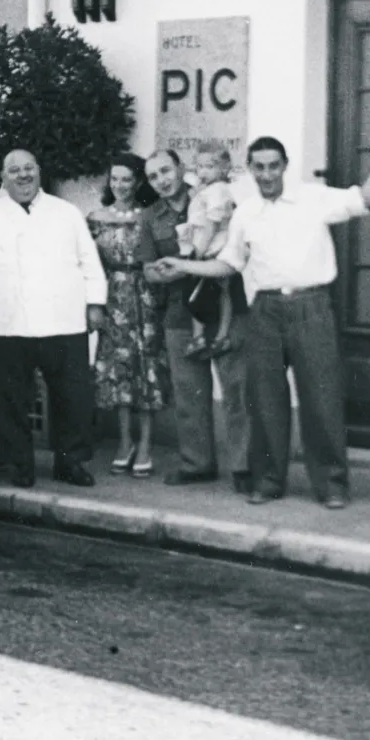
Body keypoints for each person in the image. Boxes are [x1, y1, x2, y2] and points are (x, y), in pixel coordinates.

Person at [156, 136, 370, 510]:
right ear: (250, 169)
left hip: (312, 305)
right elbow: (229, 263)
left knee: (321, 398)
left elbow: (364, 199)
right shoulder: (246, 213)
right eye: (260, 166)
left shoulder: (314, 197)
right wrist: (182, 265)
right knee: (264, 399)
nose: (267, 174)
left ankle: (332, 485)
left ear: (285, 165)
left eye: (274, 166)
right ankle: (268, 480)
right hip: (265, 310)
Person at [0, 149, 107, 488]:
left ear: (38, 171)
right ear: (3, 178)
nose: (23, 175)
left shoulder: (66, 212)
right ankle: (20, 464)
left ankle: (71, 462)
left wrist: (95, 303)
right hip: (3, 322)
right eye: (14, 170)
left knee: (71, 396)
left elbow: (88, 259)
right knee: (9, 399)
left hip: (63, 320)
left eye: (28, 168)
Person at [136, 149, 252, 494]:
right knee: (189, 393)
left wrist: (183, 265)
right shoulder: (149, 217)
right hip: (180, 312)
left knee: (237, 388)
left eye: (166, 171)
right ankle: (197, 464)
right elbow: (149, 271)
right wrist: (176, 271)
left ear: (181, 168)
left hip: (225, 304)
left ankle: (244, 467)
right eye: (153, 176)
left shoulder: (211, 195)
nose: (161, 180)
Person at [87, 154, 167, 477]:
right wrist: (92, 303)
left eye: (127, 179)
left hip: (146, 296)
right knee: (118, 370)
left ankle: (145, 444)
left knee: (146, 368)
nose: (120, 185)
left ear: (138, 182)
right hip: (112, 298)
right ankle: (124, 442)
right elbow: (87, 263)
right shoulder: (95, 218)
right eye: (115, 179)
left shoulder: (150, 215)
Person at [176, 141, 236, 360]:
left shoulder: (218, 191)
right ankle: (204, 335)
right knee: (209, 291)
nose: (203, 172)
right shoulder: (209, 190)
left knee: (214, 290)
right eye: (199, 166)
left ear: (224, 168)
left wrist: (199, 252)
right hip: (205, 244)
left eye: (209, 167)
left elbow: (211, 225)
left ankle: (215, 335)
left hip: (213, 247)